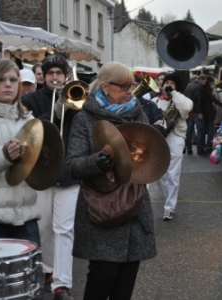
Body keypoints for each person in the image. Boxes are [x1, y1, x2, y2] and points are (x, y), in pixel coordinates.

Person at [65, 61, 157, 300]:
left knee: (125, 283)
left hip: (134, 206)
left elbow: (151, 154)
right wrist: (98, 162)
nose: (130, 91)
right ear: (105, 87)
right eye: (124, 86)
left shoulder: (138, 113)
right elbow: (73, 164)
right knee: (102, 278)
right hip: (102, 209)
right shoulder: (84, 118)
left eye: (132, 85)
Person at [21, 54, 80, 300]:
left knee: (64, 229)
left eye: (59, 73)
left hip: (68, 173)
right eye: (50, 73)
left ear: (65, 75)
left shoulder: (77, 97)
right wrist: (52, 114)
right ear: (43, 76)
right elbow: (27, 130)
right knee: (44, 228)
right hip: (41, 173)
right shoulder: (31, 99)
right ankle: (47, 270)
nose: (55, 77)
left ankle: (61, 284)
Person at [0, 59, 43, 299]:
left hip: (26, 218)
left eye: (13, 80)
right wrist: (2, 156)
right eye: (2, 79)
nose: (8, 84)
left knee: (31, 290)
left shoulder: (30, 122)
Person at [151, 72, 193, 220]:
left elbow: (187, 107)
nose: (168, 85)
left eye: (172, 83)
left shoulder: (180, 99)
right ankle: (168, 197)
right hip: (158, 137)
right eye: (166, 82)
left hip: (175, 136)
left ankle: (169, 207)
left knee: (173, 173)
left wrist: (174, 93)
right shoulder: (154, 100)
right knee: (158, 173)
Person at [183, 74, 208, 155]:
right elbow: (199, 100)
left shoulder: (188, 87)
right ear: (199, 80)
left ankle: (189, 148)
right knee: (200, 131)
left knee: (189, 132)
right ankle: (200, 149)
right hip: (197, 113)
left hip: (188, 112)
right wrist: (200, 112)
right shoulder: (199, 87)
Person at [203, 76, 222, 152]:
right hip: (212, 112)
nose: (214, 83)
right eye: (213, 82)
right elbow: (215, 100)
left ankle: (205, 145)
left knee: (207, 128)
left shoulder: (206, 89)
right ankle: (209, 145)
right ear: (210, 82)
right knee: (211, 129)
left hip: (207, 112)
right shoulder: (210, 90)